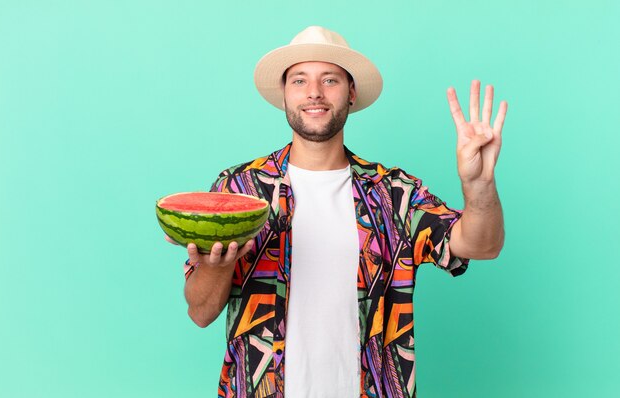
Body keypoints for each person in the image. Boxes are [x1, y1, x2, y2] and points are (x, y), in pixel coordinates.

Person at [168, 26, 507, 397]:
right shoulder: (241, 189)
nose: (314, 92)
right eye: (300, 80)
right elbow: (200, 312)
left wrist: (478, 185)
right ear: (284, 93)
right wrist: (216, 269)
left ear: (351, 93)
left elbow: (481, 245)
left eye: (329, 79)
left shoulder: (393, 193)